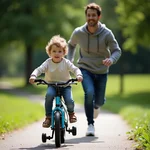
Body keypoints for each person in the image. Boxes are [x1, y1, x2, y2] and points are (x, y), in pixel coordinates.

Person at [67, 3, 121, 136]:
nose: (91, 17)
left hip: (102, 71)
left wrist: (111, 60)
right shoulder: (79, 32)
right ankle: (90, 124)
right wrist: (70, 60)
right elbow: (71, 44)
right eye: (89, 15)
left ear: (98, 16)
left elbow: (116, 50)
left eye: (93, 15)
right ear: (86, 16)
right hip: (85, 68)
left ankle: (97, 106)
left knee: (99, 101)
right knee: (89, 92)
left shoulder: (107, 33)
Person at [29, 35, 83, 128]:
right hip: (52, 85)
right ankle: (48, 117)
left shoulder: (66, 62)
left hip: (65, 86)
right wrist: (33, 75)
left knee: (69, 100)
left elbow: (75, 69)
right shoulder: (48, 62)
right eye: (54, 51)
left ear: (64, 53)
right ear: (49, 52)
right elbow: (39, 69)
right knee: (49, 96)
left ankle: (71, 114)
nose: (57, 53)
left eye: (59, 51)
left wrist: (78, 75)